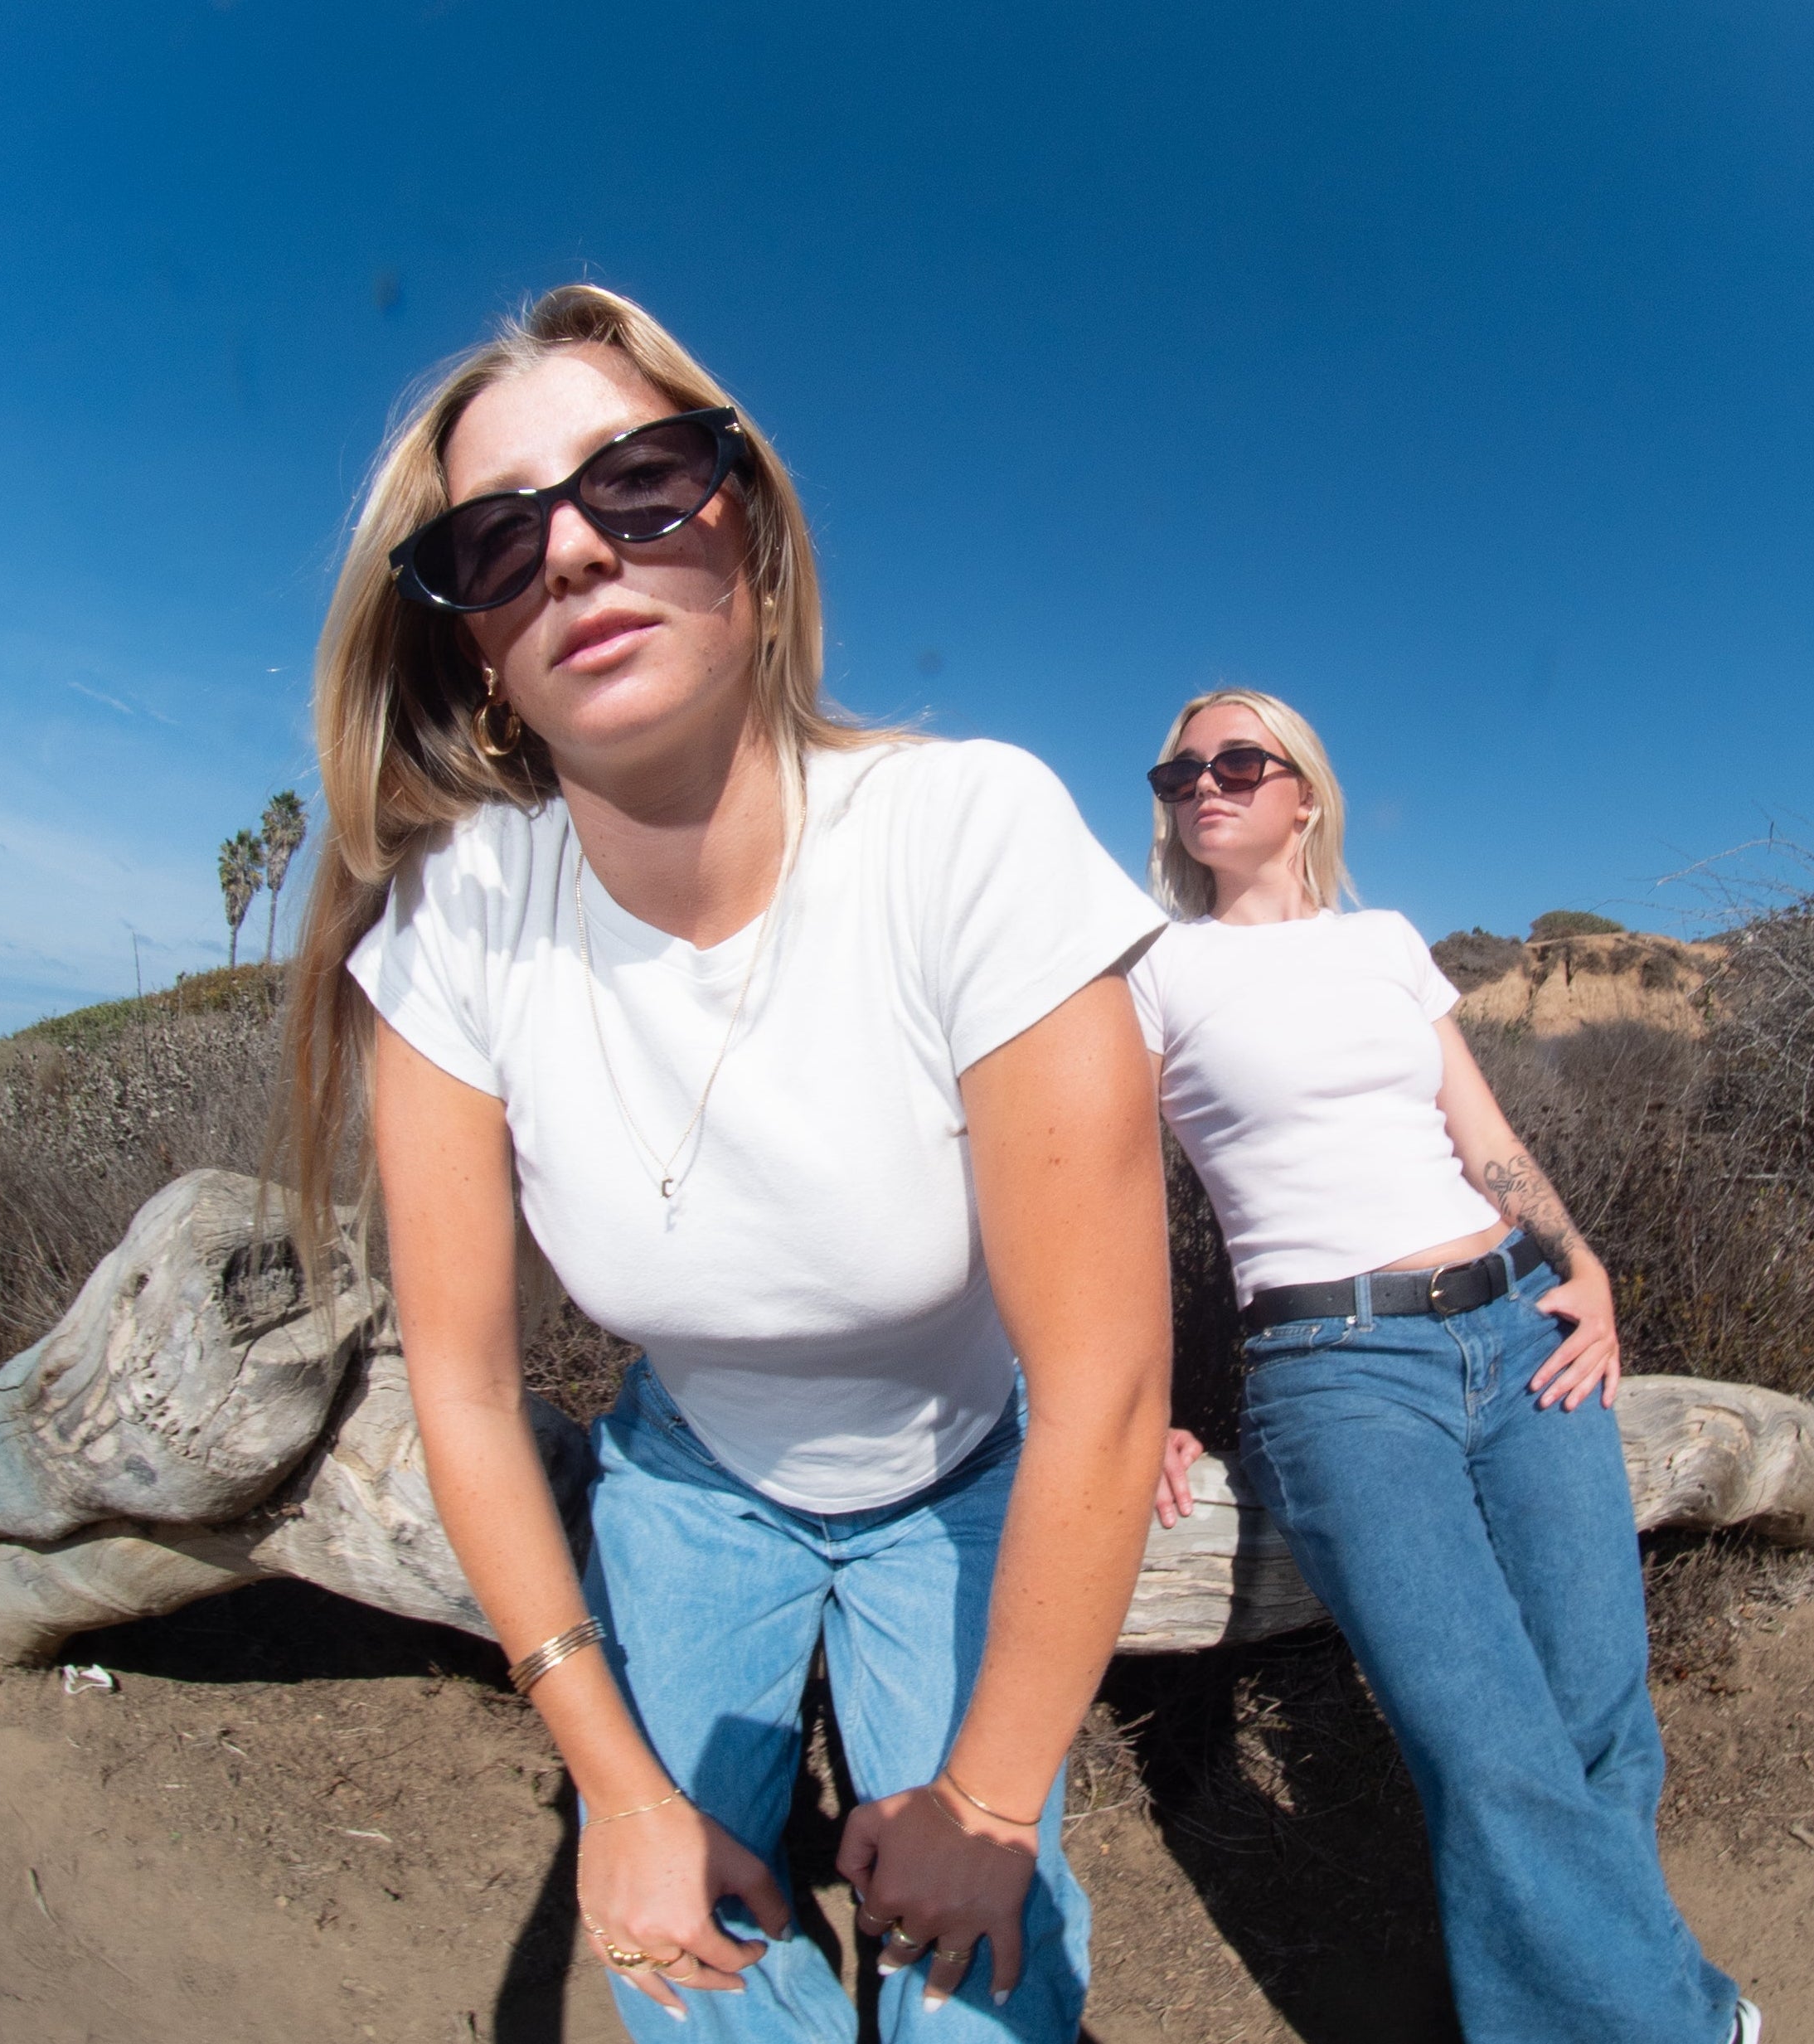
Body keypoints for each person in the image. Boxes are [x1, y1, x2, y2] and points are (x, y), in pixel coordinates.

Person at [280, 284, 1176, 2041]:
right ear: (475, 636)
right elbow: (458, 1388)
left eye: (639, 484)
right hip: (689, 1487)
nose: (577, 558)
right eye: (499, 537)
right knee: (688, 1979)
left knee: (984, 1995)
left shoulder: (964, 835)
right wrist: (614, 1791)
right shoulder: (460, 927)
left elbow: (1107, 1380)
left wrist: (992, 1811)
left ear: (747, 534)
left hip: (966, 1468)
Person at [1128, 687, 1757, 2044]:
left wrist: (1579, 1260)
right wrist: (1132, 1404)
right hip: (1334, 1367)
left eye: (1241, 759)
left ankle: (1589, 2011)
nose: (1206, 782)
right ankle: (1678, 2022)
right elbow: (1102, 1194)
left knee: (1596, 1715)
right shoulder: (1154, 971)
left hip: (1517, 1321)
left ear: (1303, 790)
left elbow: (1477, 1136)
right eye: (1181, 769)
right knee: (1487, 1744)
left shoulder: (1384, 942)